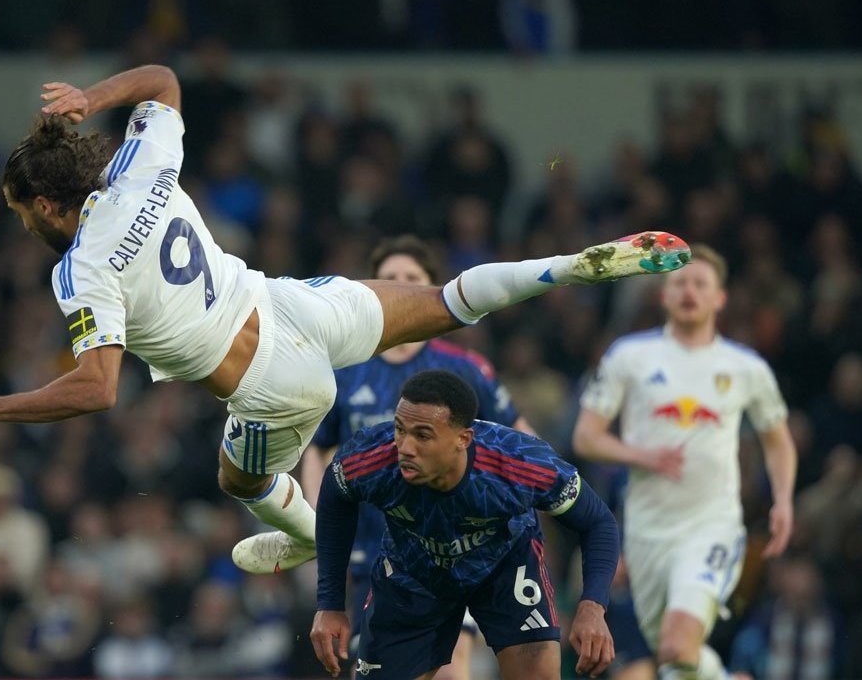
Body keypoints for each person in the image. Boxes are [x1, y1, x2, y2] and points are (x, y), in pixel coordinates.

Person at [0, 63, 691, 574]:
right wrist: (90, 98)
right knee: (444, 301)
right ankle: (565, 265)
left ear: (49, 205)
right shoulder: (136, 168)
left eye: (21, 212)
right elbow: (164, 82)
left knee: (238, 476)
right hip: (292, 303)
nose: (23, 226)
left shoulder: (79, 269)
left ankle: (315, 538)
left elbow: (98, 388)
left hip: (269, 385)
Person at [300, 235, 537, 680]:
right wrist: (315, 513)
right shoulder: (345, 371)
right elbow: (319, 448)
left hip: (457, 544)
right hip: (373, 548)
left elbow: (522, 439)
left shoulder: (463, 367)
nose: (401, 285)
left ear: (431, 288)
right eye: (389, 278)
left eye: (412, 277)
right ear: (371, 291)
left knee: (450, 669)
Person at [572, 244, 796, 680]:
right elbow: (586, 435)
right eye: (680, 282)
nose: (689, 291)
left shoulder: (745, 367)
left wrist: (784, 500)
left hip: (712, 525)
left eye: (700, 283)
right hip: (646, 531)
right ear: (664, 295)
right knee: (675, 658)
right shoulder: (629, 356)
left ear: (720, 297)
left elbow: (778, 441)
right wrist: (642, 455)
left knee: (676, 643)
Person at [310, 370, 619, 680]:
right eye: (400, 429)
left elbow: (598, 521)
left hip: (504, 567)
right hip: (412, 572)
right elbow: (335, 497)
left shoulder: (521, 462)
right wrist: (330, 604)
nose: (405, 447)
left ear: (463, 439)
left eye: (423, 435)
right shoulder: (371, 456)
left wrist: (593, 606)